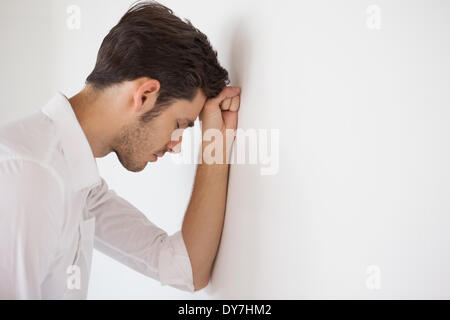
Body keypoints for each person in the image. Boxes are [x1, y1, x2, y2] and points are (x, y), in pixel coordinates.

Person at [0, 0, 241, 299]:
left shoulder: (80, 185)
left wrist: (214, 141)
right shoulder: (30, 174)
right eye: (180, 123)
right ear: (146, 95)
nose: (175, 145)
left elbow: (186, 269)